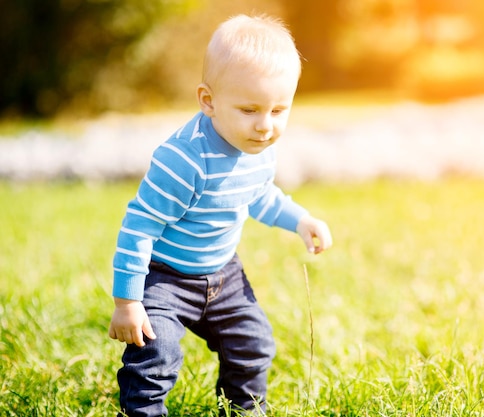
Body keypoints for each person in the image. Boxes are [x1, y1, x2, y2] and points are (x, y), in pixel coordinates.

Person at [108, 14, 332, 417]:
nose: (265, 126)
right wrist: (128, 302)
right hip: (167, 277)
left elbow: (259, 197)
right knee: (156, 354)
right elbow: (139, 227)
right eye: (249, 109)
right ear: (208, 100)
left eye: (279, 110)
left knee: (254, 343)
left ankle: (243, 409)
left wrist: (301, 219)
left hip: (223, 274)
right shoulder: (183, 160)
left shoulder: (255, 148)